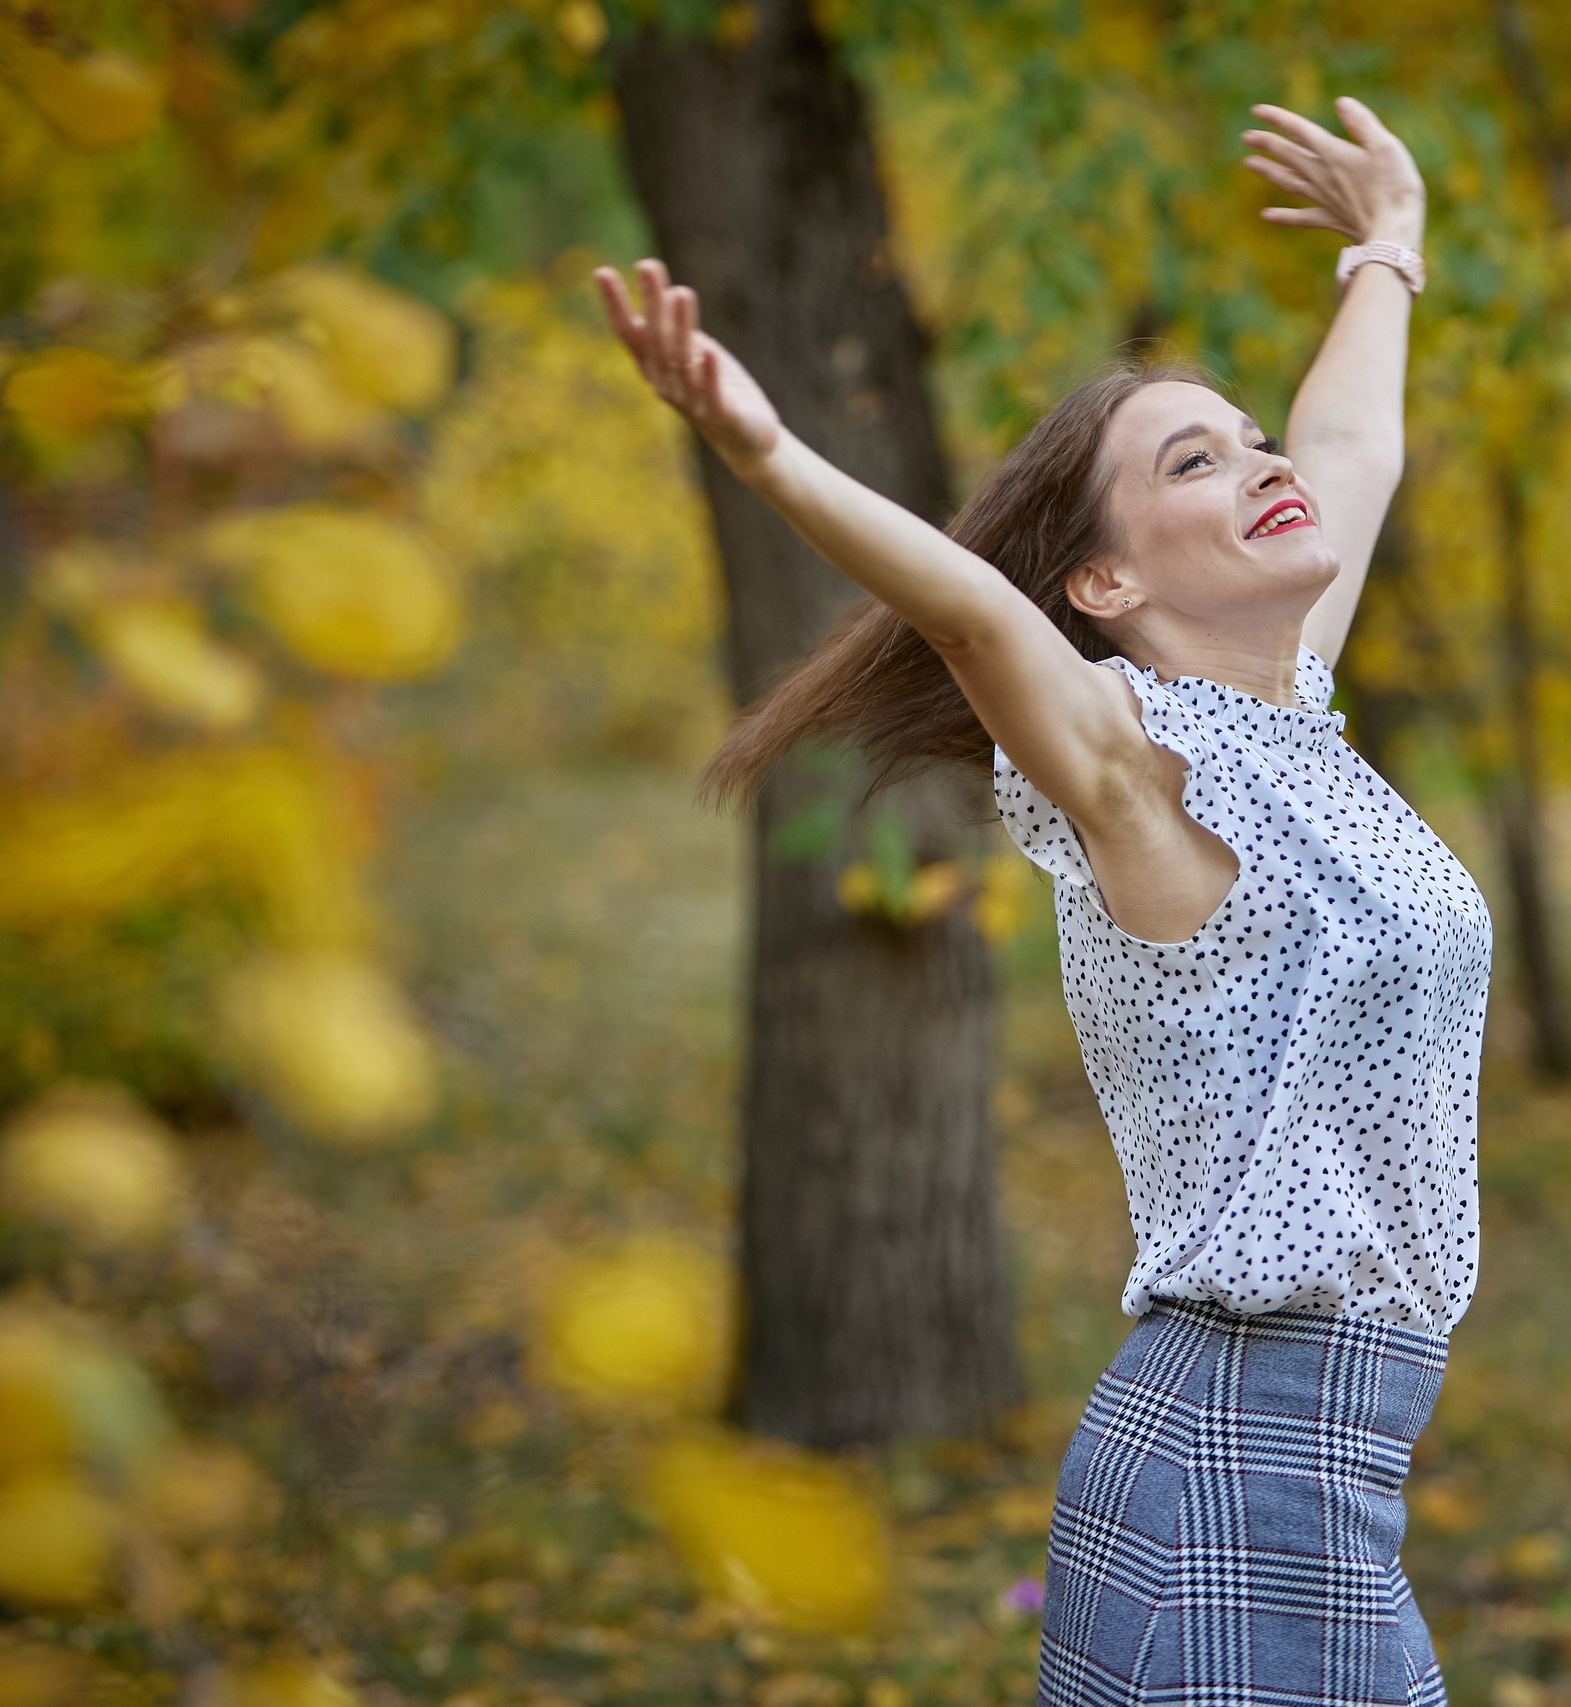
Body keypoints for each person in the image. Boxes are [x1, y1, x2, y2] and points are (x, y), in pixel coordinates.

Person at [597, 94, 1489, 1706]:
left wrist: (1390, 247)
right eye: (1196, 460)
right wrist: (766, 452)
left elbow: (1355, 445)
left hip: (1317, 1469)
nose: (1265, 463)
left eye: (1253, 439)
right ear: (1107, 584)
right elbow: (973, 619)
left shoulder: (1291, 717)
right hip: (1233, 1464)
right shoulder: (1136, 770)